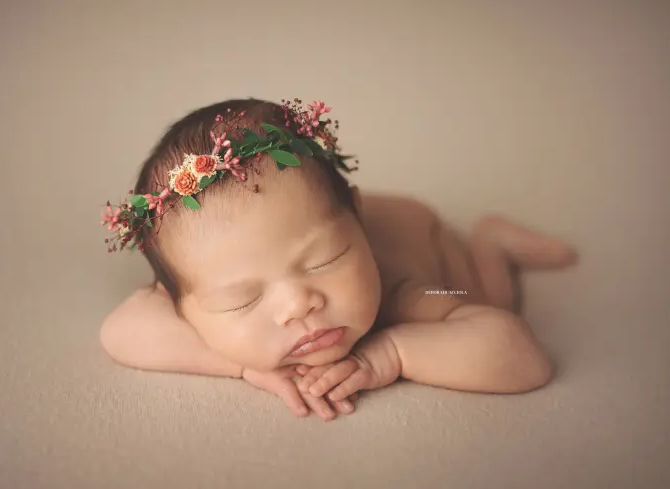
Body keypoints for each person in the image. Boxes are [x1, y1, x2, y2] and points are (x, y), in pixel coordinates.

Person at [98, 97, 578, 421]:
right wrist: (245, 365)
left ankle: (490, 242)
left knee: (487, 297)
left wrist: (391, 353)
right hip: (317, 219)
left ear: (357, 222)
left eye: (325, 260)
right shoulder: (198, 279)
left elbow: (523, 357)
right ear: (179, 304)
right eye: (242, 301)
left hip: (429, 246)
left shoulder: (399, 291)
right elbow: (119, 331)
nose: (298, 304)